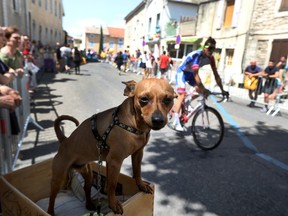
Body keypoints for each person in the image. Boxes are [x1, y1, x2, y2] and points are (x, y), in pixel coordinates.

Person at [172, 37, 228, 131]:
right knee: (181, 95)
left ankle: (186, 102)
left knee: (199, 90)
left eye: (213, 49)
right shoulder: (197, 55)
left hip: (190, 74)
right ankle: (176, 122)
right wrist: (204, 89)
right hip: (182, 72)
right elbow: (196, 75)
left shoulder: (211, 59)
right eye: (209, 48)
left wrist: (222, 90)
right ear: (204, 48)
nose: (211, 51)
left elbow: (216, 74)